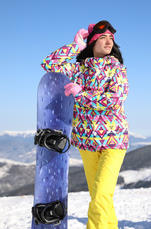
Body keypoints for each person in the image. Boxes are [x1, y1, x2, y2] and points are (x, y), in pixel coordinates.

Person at [41, 20, 129, 229]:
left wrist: (82, 94)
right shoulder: (77, 69)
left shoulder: (116, 69)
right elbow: (48, 64)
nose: (108, 41)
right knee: (101, 197)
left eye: (111, 38)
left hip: (113, 140)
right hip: (86, 142)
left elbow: (115, 99)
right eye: (102, 38)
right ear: (91, 43)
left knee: (100, 195)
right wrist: (74, 47)